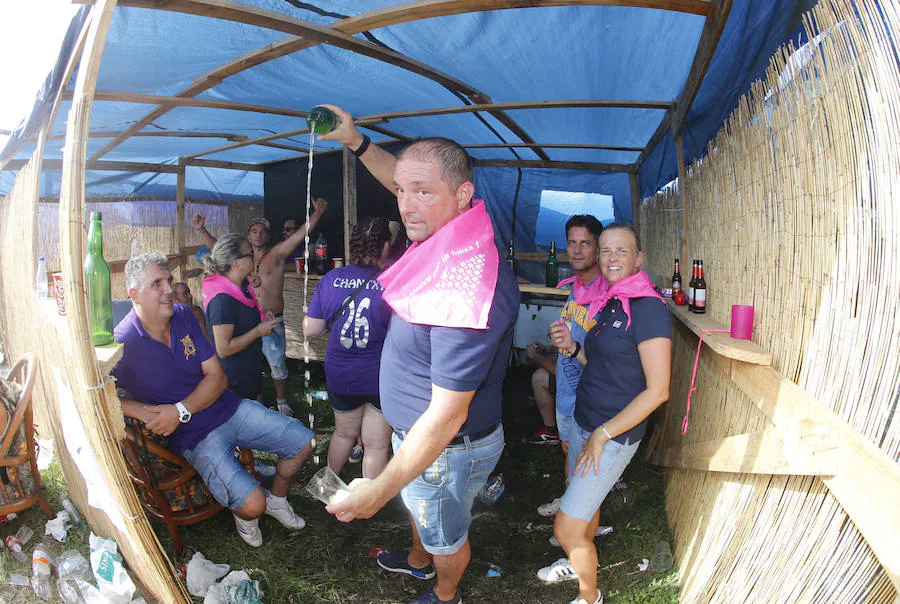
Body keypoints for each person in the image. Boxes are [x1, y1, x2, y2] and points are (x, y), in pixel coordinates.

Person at [320, 106, 519, 604]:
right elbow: (410, 181)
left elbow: (448, 416)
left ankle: (444, 593)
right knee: (423, 507)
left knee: (445, 532)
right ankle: (416, 562)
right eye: (401, 193)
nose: (405, 206)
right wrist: (356, 140)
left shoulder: (465, 290)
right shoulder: (452, 234)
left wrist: (378, 488)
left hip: (447, 450)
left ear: (463, 196)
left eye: (422, 194)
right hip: (420, 440)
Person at [111, 253, 314, 548]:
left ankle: (278, 499)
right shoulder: (123, 342)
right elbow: (95, 396)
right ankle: (249, 515)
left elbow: (217, 378)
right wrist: (139, 410)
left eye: (168, 280)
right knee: (253, 505)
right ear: (135, 295)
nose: (169, 289)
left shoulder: (183, 316)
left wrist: (179, 410)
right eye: (157, 283)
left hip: (229, 408)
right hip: (195, 438)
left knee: (304, 443)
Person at [537, 224, 671, 604]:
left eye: (622, 251)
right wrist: (570, 348)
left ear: (638, 258)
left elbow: (658, 391)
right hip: (585, 421)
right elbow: (596, 362)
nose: (612, 258)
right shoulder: (612, 300)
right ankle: (578, 562)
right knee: (583, 509)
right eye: (607, 251)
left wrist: (602, 434)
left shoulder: (648, 310)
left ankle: (589, 595)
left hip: (612, 434)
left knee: (566, 527)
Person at [191, 198, 326, 415]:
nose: (258, 235)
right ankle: (255, 402)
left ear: (269, 236)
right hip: (248, 326)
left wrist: (317, 214)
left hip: (271, 322)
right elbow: (218, 248)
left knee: (276, 365)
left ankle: (281, 403)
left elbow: (300, 234)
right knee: (251, 365)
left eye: (263, 231)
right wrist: (201, 230)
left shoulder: (275, 255)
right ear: (248, 236)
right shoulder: (233, 272)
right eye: (254, 231)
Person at [303, 217, 394, 479]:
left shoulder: (332, 278)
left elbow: (311, 330)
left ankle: (328, 483)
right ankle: (367, 500)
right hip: (380, 376)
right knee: (376, 444)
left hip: (341, 374)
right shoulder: (392, 281)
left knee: (343, 433)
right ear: (385, 246)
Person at [535, 214, 604, 518]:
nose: (576, 251)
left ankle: (582, 523)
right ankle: (568, 505)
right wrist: (556, 345)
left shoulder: (606, 294)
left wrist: (572, 348)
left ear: (598, 246)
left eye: (585, 243)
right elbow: (573, 336)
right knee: (568, 451)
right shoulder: (577, 287)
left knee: (588, 462)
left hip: (588, 398)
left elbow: (604, 362)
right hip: (566, 392)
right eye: (572, 243)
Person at [201, 234, 280, 402]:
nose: (253, 256)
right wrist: (258, 331)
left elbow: (243, 317)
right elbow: (224, 348)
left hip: (249, 371)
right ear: (236, 263)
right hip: (234, 380)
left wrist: (261, 318)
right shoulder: (222, 300)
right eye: (249, 254)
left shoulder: (243, 286)